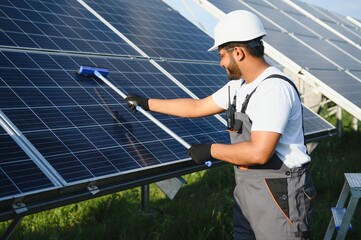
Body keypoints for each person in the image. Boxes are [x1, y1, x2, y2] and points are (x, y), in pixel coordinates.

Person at [125, 10, 315, 240]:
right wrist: (147, 103)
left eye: (222, 55)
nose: (220, 62)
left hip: (280, 192)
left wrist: (211, 150)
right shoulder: (239, 87)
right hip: (248, 189)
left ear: (238, 52)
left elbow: (259, 152)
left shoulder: (273, 89)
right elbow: (197, 107)